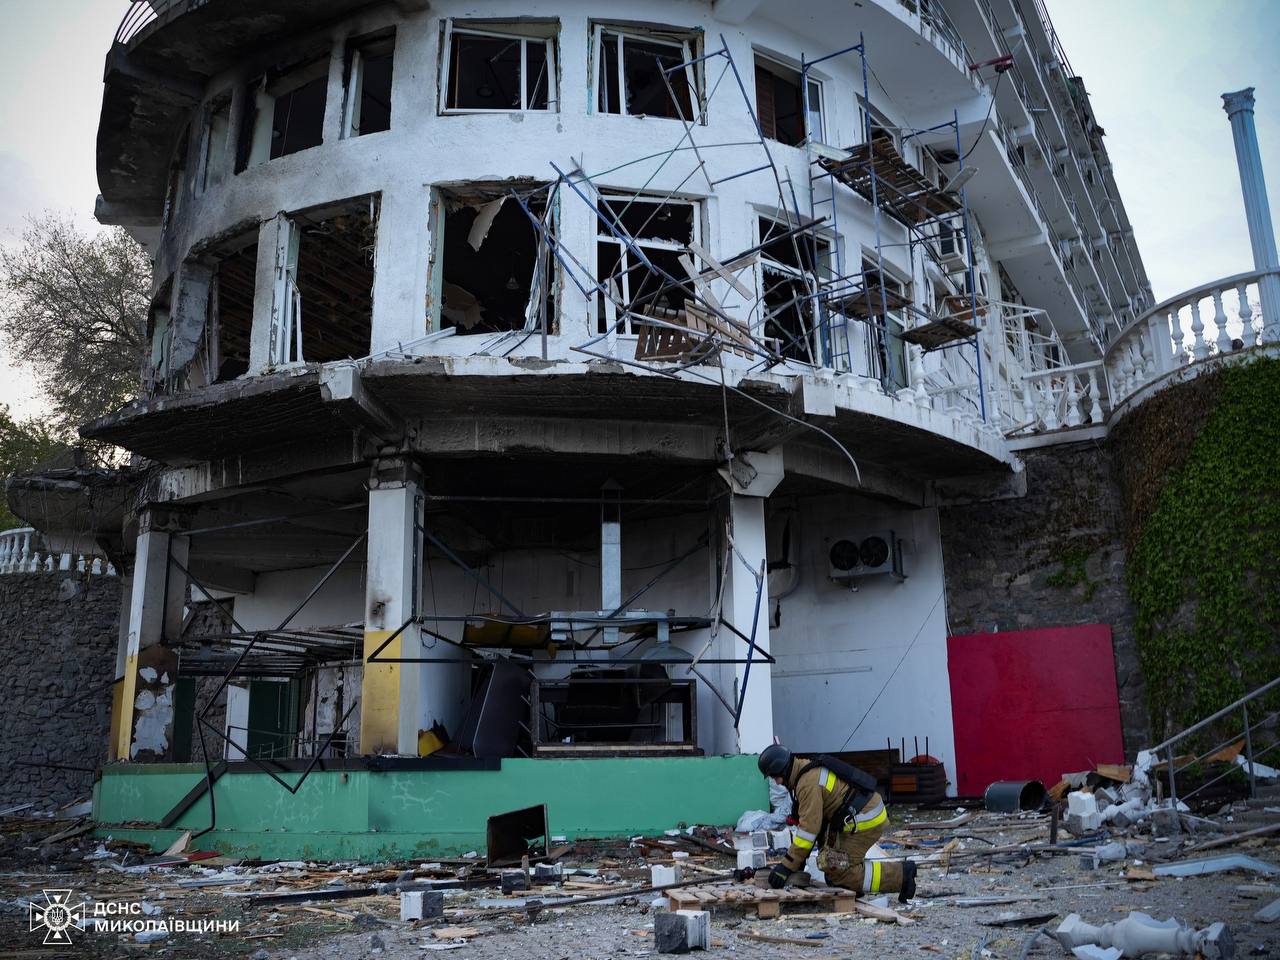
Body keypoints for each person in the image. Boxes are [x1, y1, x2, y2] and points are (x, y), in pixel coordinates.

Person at [758, 742, 916, 902]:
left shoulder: (807, 784)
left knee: (840, 872)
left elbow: (808, 831)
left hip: (866, 820)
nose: (777, 782)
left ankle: (902, 875)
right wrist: (798, 861)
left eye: (775, 777)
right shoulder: (804, 770)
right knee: (830, 864)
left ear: (783, 770)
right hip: (859, 815)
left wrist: (786, 866)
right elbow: (817, 825)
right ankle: (857, 885)